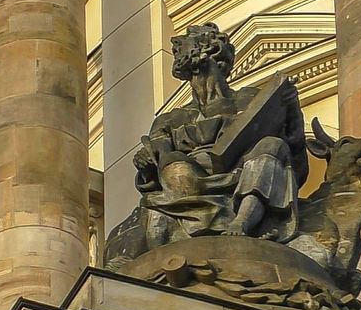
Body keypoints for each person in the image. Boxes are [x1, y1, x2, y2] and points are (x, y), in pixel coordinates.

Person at [133, 24, 310, 246]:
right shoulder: (170, 119)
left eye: (186, 42)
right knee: (173, 164)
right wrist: (146, 161)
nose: (176, 47)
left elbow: (296, 159)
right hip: (189, 181)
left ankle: (242, 222)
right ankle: (202, 221)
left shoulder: (250, 100)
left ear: (210, 48)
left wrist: (292, 111)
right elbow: (157, 157)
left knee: (273, 145)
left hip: (245, 172)